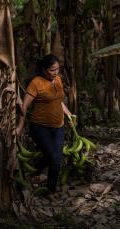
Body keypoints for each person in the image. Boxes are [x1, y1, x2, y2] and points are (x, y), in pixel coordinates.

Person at [15, 54, 74, 193]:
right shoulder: (36, 83)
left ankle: (44, 183)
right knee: (53, 158)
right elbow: (24, 106)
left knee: (56, 159)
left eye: (57, 69)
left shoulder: (58, 80)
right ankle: (49, 189)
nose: (56, 73)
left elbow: (58, 101)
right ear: (43, 69)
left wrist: (69, 114)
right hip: (40, 128)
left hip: (58, 127)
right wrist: (20, 126)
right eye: (52, 70)